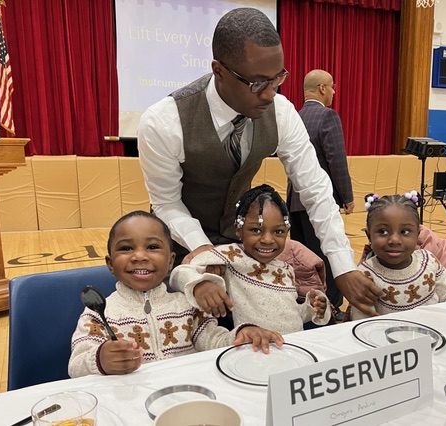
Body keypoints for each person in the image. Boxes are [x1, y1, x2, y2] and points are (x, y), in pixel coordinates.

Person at [137, 7, 380, 317]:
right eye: (257, 83)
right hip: (181, 252)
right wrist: (202, 248)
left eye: (277, 78)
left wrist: (343, 266)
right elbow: (167, 203)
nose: (269, 94)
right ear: (219, 71)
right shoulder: (163, 121)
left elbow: (316, 189)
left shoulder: (281, 112)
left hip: (241, 248)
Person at [68, 211, 283, 378]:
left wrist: (242, 335)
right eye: (126, 249)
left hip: (187, 396)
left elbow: (214, 341)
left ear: (171, 261)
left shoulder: (187, 306)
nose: (139, 256)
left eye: (152, 247)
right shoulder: (98, 315)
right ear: (110, 264)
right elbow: (75, 366)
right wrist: (100, 360)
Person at [170, 185, 331, 335]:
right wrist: (200, 285)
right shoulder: (231, 255)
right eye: (256, 230)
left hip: (292, 347)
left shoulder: (287, 269)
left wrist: (311, 308)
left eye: (278, 232)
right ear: (239, 230)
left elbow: (289, 316)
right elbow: (179, 273)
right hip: (254, 348)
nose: (267, 239)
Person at [286, 69, 354, 320]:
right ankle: (331, 309)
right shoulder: (328, 116)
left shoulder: (294, 117)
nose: (334, 92)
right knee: (327, 259)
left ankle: (308, 306)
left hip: (294, 201)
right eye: (332, 87)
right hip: (319, 203)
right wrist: (347, 196)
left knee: (303, 262)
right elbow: (337, 160)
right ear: (323, 88)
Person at [347, 193, 446, 320]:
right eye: (383, 232)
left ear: (417, 234)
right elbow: (363, 321)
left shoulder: (429, 260)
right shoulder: (364, 276)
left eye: (405, 232)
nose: (394, 240)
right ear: (369, 236)